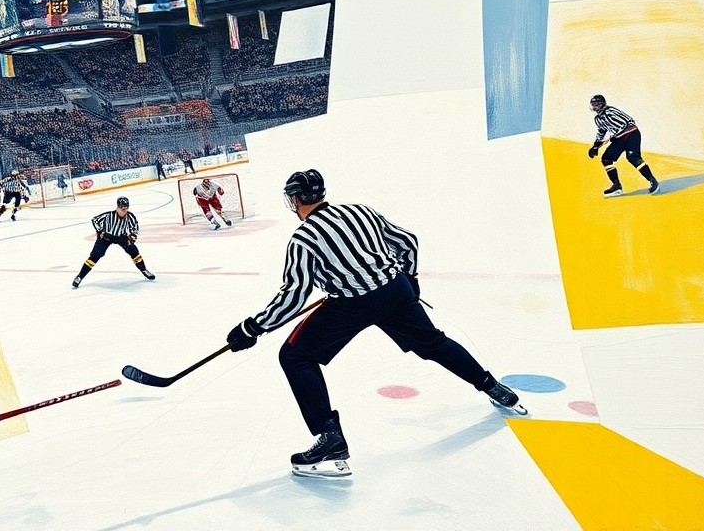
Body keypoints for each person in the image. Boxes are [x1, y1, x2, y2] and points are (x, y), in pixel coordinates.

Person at [223, 170, 526, 479]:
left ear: (297, 199)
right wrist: (410, 278)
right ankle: (494, 387)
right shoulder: (360, 211)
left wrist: (253, 328)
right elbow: (407, 242)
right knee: (433, 343)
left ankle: (330, 439)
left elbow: (295, 294)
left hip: (353, 304)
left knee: (295, 355)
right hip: (395, 290)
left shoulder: (305, 238)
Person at [72, 197, 154, 288]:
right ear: (117, 207)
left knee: (134, 252)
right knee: (95, 255)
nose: (124, 211)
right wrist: (100, 231)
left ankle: (144, 270)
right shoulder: (108, 215)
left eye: (126, 208)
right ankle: (79, 276)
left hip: (121, 237)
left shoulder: (130, 216)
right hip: (106, 237)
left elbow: (134, 227)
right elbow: (95, 220)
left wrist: (132, 235)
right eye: (122, 209)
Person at [588, 95, 659, 197]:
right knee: (606, 159)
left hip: (631, 134)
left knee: (633, 157)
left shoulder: (610, 111)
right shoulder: (598, 119)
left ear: (602, 104)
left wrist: (613, 137)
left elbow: (626, 124)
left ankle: (652, 180)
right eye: (594, 104)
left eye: (597, 104)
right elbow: (601, 132)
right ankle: (616, 185)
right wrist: (595, 146)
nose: (595, 107)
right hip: (620, 138)